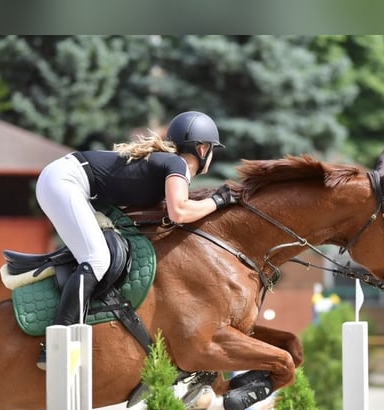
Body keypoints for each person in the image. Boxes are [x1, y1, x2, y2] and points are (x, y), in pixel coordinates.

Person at [35, 111, 237, 368]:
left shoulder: (167, 165)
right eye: (212, 150)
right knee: (97, 259)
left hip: (66, 179)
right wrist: (218, 201)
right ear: (202, 148)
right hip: (65, 180)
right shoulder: (178, 165)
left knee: (100, 254)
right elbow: (180, 211)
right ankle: (57, 345)